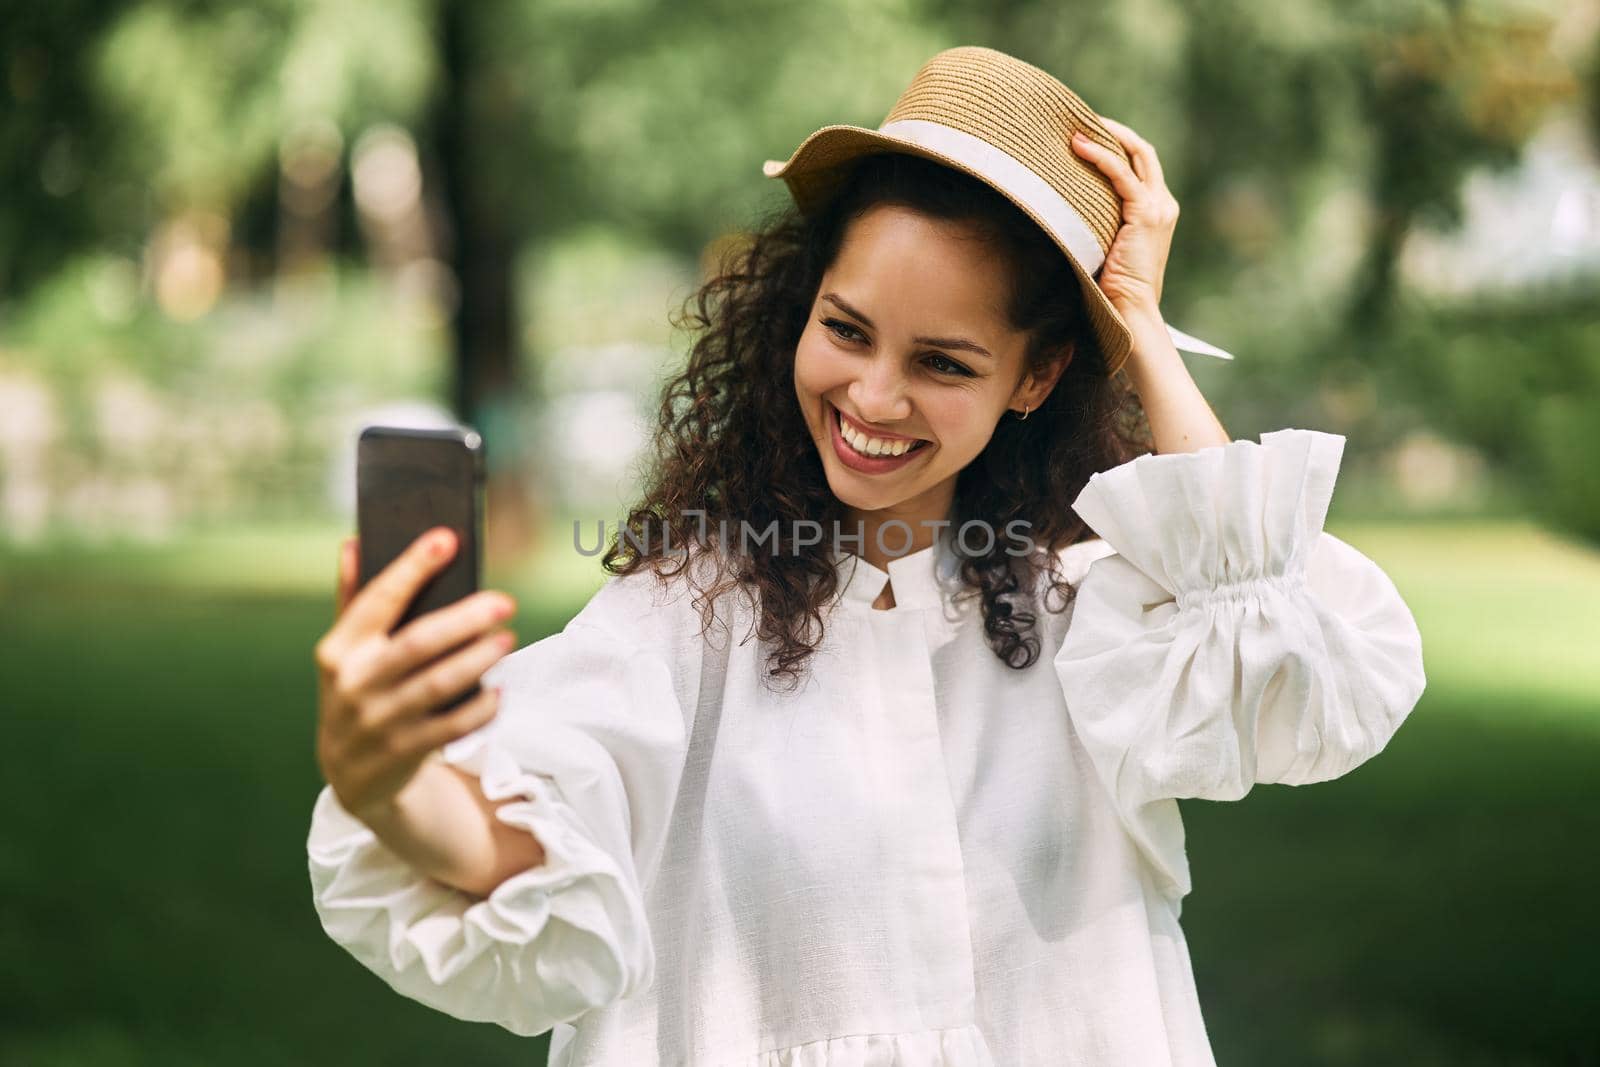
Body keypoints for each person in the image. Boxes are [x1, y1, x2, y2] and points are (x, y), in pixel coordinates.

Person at [306, 46, 1426, 1066]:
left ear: (1032, 380)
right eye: (845, 329)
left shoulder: (1101, 612)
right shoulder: (681, 620)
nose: (873, 398)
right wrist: (388, 781)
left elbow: (1287, 657)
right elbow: (520, 845)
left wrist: (1132, 322)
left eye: (942, 361)